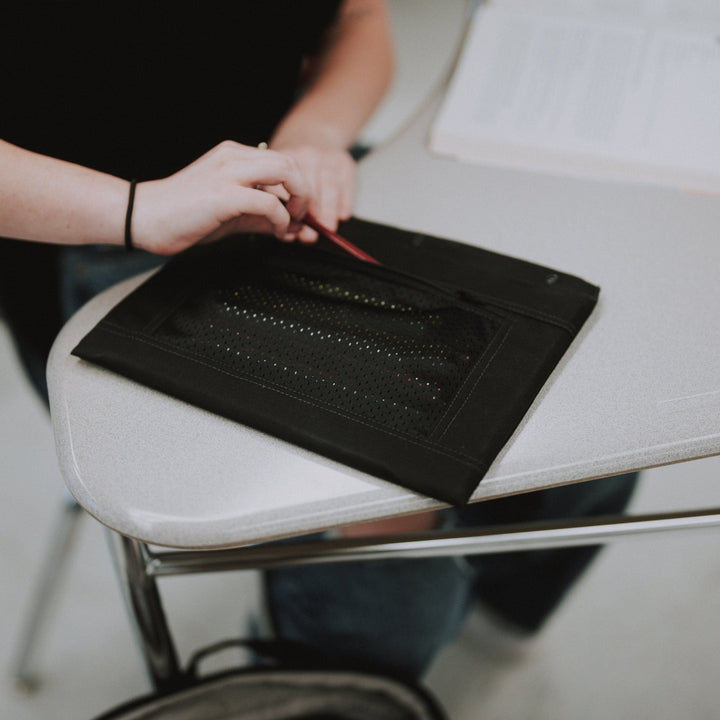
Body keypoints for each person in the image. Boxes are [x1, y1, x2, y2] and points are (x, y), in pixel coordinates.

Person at [0, 0, 637, 682]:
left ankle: (482, 620)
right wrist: (137, 208)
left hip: (282, 174)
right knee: (395, 574)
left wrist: (315, 131)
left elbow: (358, 20)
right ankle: (360, 669)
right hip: (94, 228)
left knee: (592, 429)